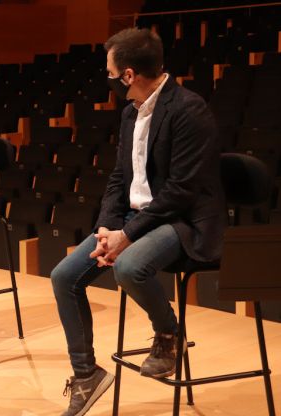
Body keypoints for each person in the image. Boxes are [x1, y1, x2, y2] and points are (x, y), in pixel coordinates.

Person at [50, 28, 224, 416]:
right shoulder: (131, 112)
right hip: (135, 217)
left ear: (128, 75)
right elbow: (118, 178)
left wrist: (127, 236)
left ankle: (168, 333)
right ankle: (86, 375)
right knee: (63, 277)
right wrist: (106, 228)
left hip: (182, 221)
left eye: (110, 71)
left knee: (128, 266)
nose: (107, 78)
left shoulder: (189, 109)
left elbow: (180, 191)